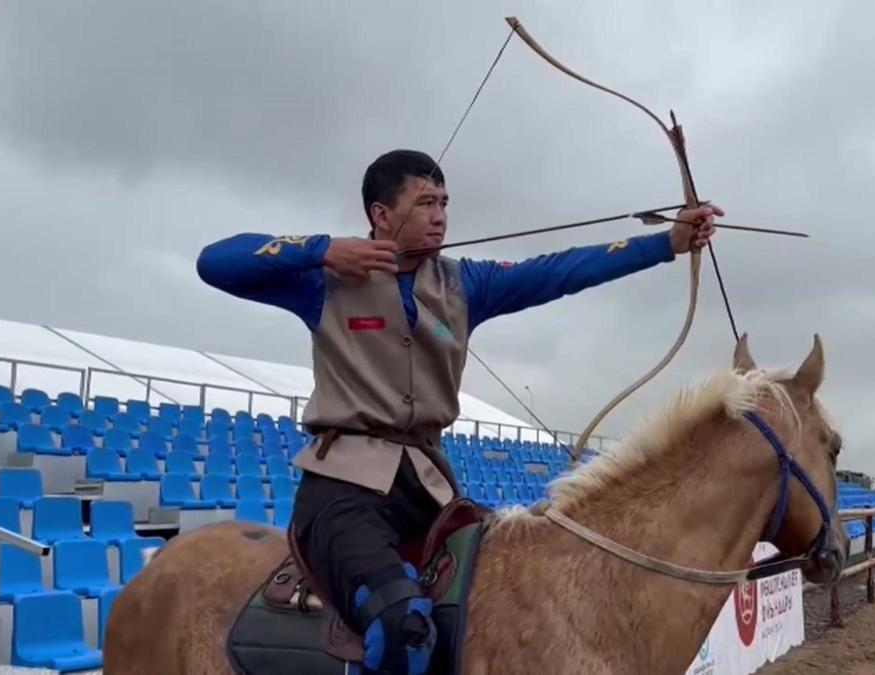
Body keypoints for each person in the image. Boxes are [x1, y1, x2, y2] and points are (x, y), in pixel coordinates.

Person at [196, 149, 720, 674]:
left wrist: (666, 244)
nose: (441, 214)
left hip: (429, 493)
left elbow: (561, 270)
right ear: (381, 214)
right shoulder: (324, 281)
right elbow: (215, 262)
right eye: (425, 202)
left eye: (444, 202)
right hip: (343, 495)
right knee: (400, 623)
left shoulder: (465, 284)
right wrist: (322, 250)